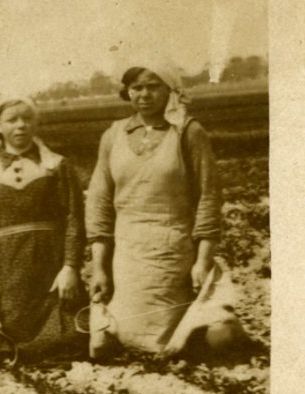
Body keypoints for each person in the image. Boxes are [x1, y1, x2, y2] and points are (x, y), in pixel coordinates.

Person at [85, 63, 225, 357]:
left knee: (167, 343)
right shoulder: (113, 135)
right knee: (119, 338)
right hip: (127, 254)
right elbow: (99, 201)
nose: (144, 94)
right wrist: (99, 266)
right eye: (137, 88)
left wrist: (202, 260)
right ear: (127, 92)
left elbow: (208, 197)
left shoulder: (188, 132)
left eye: (153, 86)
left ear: (170, 89)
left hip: (173, 250)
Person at [0, 97, 86, 361]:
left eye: (27, 118)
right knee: (8, 333)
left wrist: (70, 267)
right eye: (12, 120)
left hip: (50, 265)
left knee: (67, 339)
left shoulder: (56, 166)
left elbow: (74, 219)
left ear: (36, 123)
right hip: (6, 270)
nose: (21, 125)